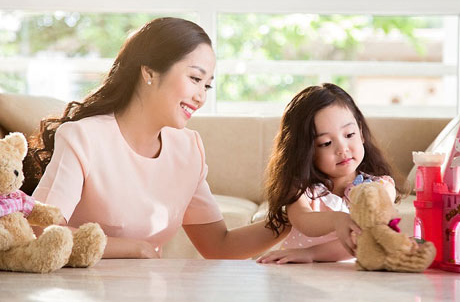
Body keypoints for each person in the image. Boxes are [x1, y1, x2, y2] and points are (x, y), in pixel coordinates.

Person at [29, 17, 288, 259]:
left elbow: (218, 245)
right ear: (149, 73)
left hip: (150, 284)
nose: (201, 97)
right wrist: (134, 248)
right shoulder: (84, 138)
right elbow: (43, 230)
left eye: (206, 85)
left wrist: (291, 217)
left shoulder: (187, 148)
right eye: (195, 78)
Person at [257, 83, 398, 264]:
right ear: (305, 151)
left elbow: (366, 240)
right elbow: (303, 219)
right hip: (299, 276)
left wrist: (311, 254)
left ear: (361, 133)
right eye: (325, 143)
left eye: (349, 135)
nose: (342, 149)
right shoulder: (301, 189)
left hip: (354, 278)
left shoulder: (380, 188)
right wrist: (338, 220)